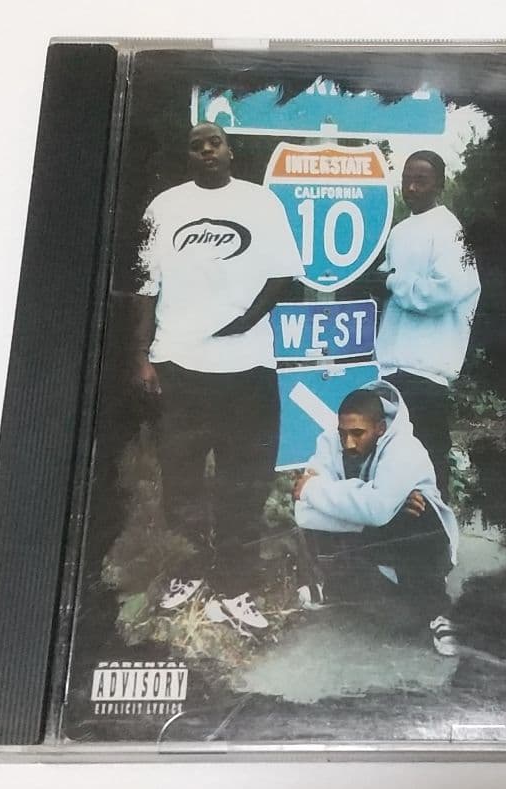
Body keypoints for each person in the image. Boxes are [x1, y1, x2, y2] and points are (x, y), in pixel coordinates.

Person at [132, 122, 304, 632]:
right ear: (188, 156)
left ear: (230, 151)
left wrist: (248, 320)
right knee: (181, 481)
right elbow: (145, 287)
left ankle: (234, 586)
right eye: (196, 145)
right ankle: (190, 570)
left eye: (215, 143)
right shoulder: (163, 208)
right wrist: (141, 356)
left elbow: (284, 273)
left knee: (245, 483)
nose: (207, 150)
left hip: (248, 368)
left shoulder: (261, 203)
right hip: (179, 365)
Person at [292, 381, 460, 655]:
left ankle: (439, 612)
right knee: (384, 511)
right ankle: (333, 587)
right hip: (378, 532)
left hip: (413, 539)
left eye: (358, 434)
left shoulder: (405, 448)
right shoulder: (329, 441)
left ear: (380, 428)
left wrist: (316, 491)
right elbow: (304, 512)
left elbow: (377, 509)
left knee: (419, 512)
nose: (348, 443)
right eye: (343, 433)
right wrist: (378, 503)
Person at [374, 150, 481, 496]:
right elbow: (386, 278)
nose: (411, 188)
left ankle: (437, 526)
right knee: (392, 461)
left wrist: (392, 282)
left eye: (421, 180)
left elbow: (444, 292)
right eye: (406, 180)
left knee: (429, 461)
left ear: (440, 184)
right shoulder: (400, 231)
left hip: (426, 371)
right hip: (391, 366)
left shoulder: (450, 231)